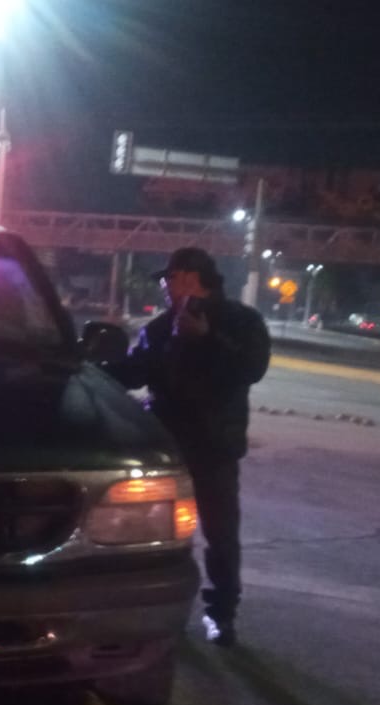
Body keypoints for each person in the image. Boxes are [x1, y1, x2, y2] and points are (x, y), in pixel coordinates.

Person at [107, 247, 270, 647]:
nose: (164, 286)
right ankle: (159, 611)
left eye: (168, 278)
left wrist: (207, 339)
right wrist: (89, 369)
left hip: (215, 449)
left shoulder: (241, 321)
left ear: (189, 278)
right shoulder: (161, 328)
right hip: (167, 451)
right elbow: (133, 372)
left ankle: (221, 615)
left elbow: (252, 368)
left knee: (220, 535)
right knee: (154, 534)